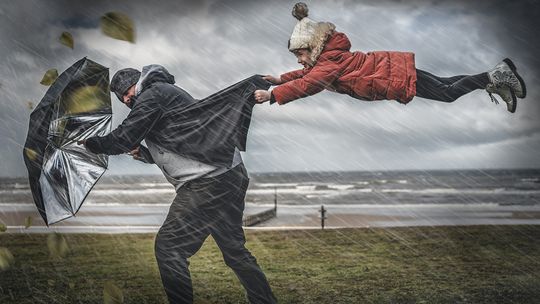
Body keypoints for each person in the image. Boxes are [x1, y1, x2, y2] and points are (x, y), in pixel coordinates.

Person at [78, 65, 276, 304]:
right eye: (122, 97)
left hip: (206, 182)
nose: (127, 98)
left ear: (138, 82)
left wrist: (90, 144)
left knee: (169, 248)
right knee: (235, 252)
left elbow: (123, 137)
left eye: (128, 90)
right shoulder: (161, 95)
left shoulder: (153, 94)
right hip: (227, 175)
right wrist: (146, 154)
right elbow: (184, 142)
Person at [253, 2, 527, 113]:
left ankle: (494, 76)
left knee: (447, 94)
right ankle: (495, 80)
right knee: (446, 83)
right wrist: (279, 79)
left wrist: (274, 95)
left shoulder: (327, 63)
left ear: (313, 48)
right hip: (396, 69)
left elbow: (309, 84)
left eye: (300, 53)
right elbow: (307, 75)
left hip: (395, 75)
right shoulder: (327, 59)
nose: (299, 60)